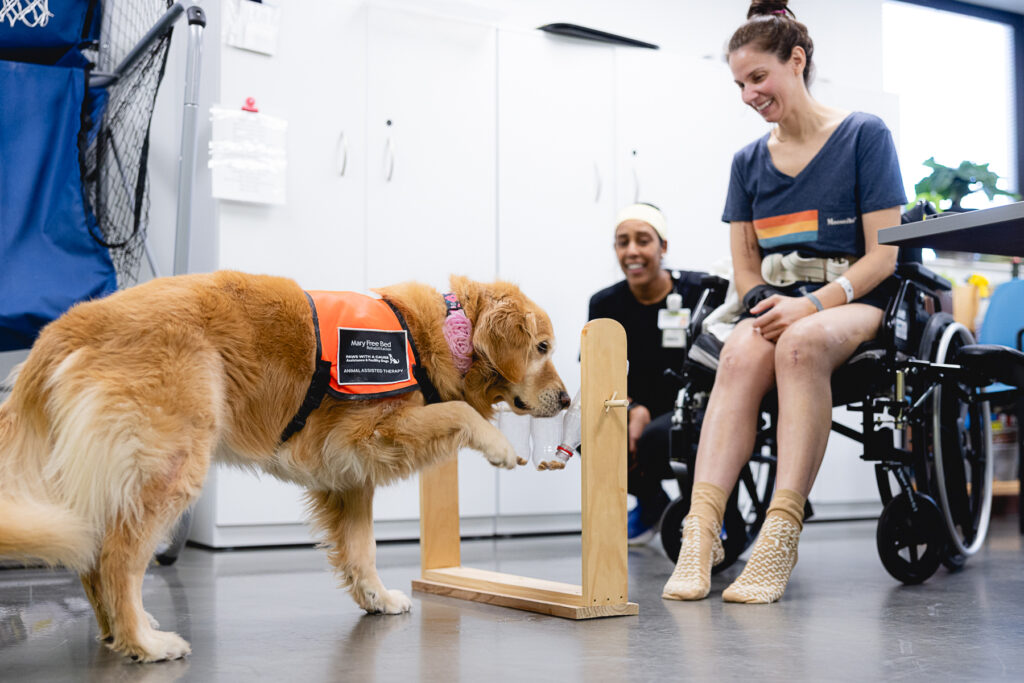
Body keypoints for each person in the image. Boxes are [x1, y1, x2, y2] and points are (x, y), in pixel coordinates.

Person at [661, 0, 906, 603]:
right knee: (738, 355)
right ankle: (701, 535)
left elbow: (884, 256)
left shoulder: (862, 135)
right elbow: (745, 265)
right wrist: (763, 300)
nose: (748, 94)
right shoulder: (746, 163)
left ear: (795, 61)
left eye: (758, 77)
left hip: (853, 298)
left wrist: (811, 306)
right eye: (740, 83)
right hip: (776, 300)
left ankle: (780, 534)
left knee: (797, 344)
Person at [589, 203, 708, 544]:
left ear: (663, 247)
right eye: (622, 242)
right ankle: (652, 503)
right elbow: (598, 372)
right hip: (634, 402)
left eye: (643, 240)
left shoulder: (697, 292)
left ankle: (711, 512)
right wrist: (631, 407)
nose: (632, 251)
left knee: (660, 436)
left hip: (695, 403)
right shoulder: (605, 304)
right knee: (591, 431)